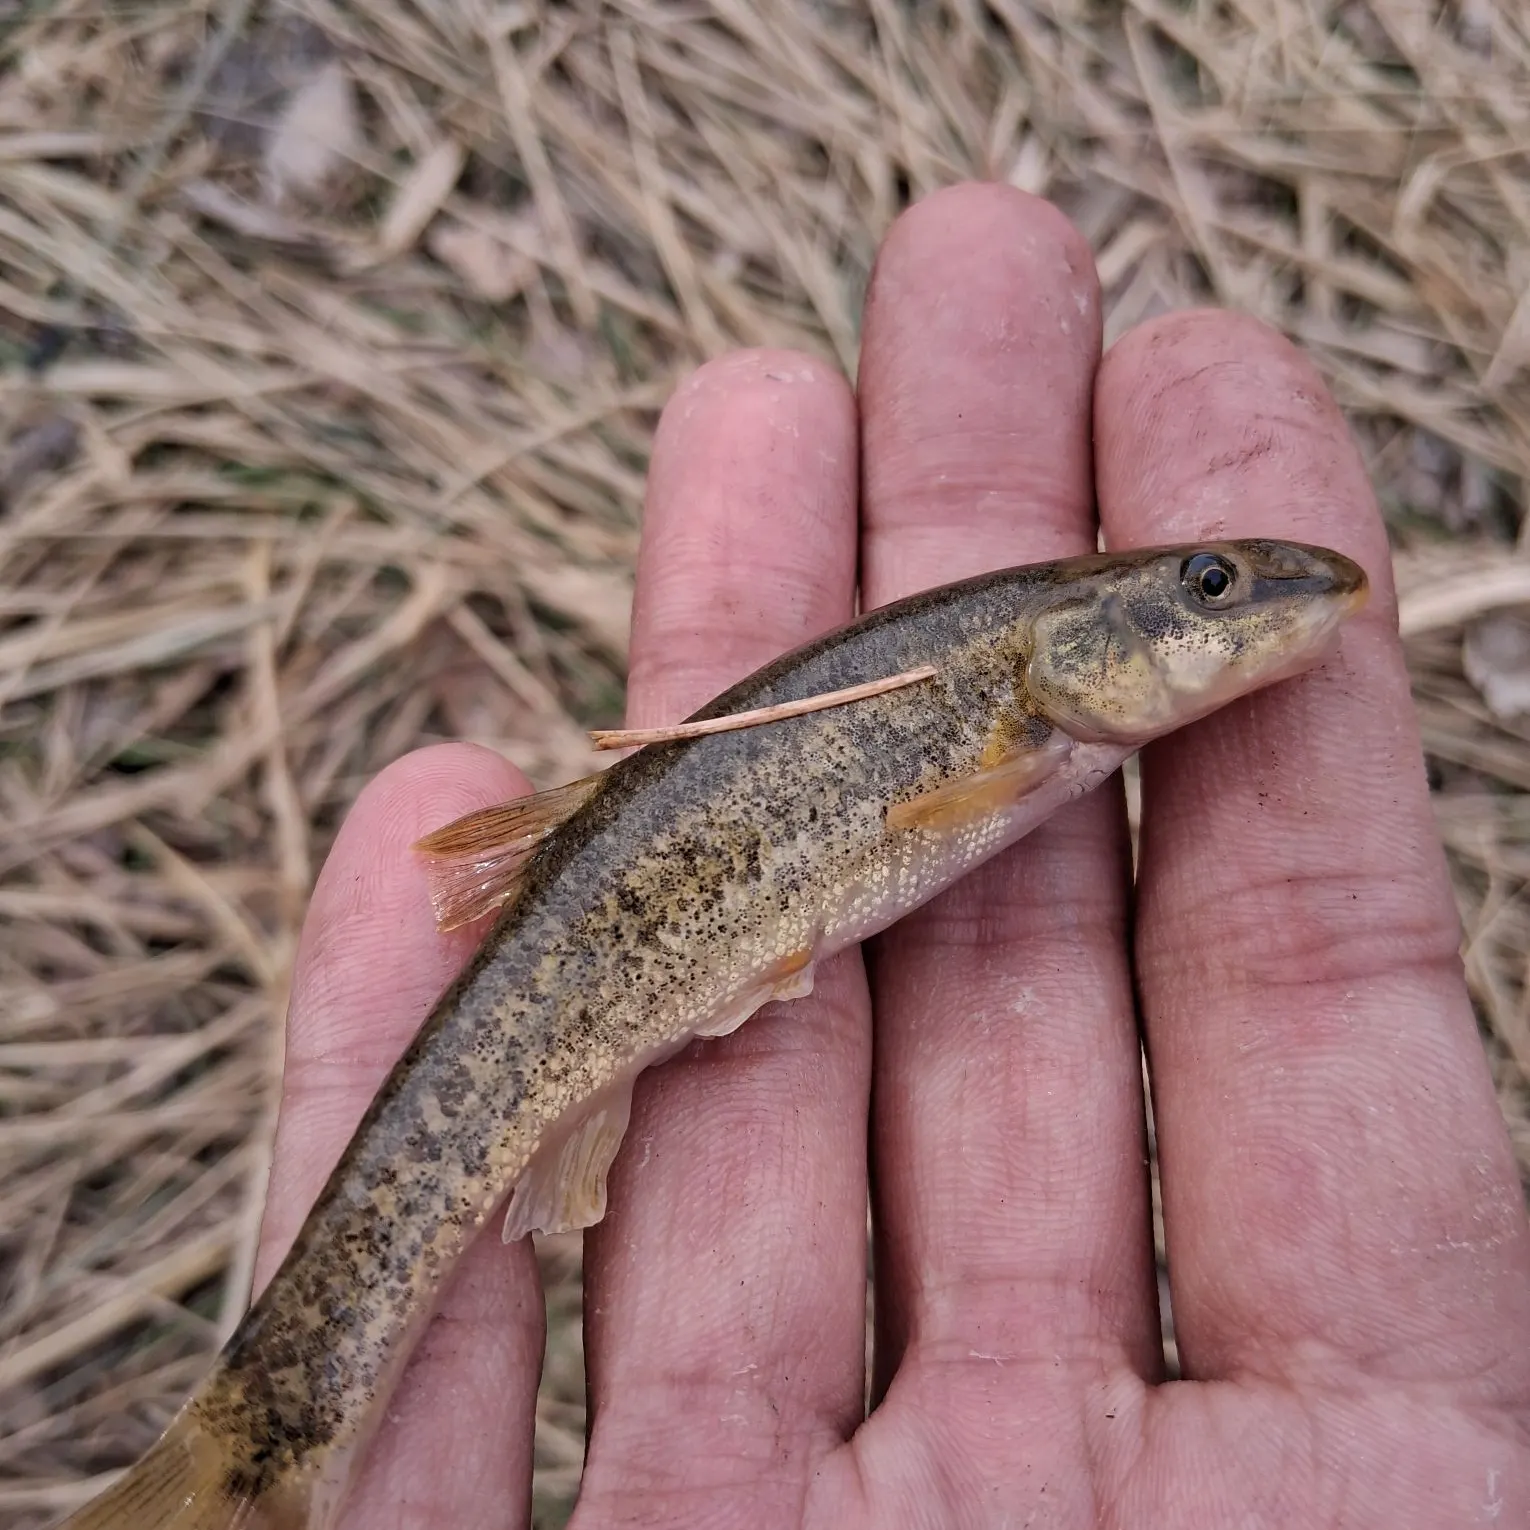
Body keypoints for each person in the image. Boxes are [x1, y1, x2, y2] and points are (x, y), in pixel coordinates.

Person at [253, 184, 1530, 1525]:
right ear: (1073, 642)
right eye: (1208, 588)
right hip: (595, 956)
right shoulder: (1021, 705)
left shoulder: (1043, 711)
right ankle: (277, 1434)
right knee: (425, 1201)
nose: (1248, 602)